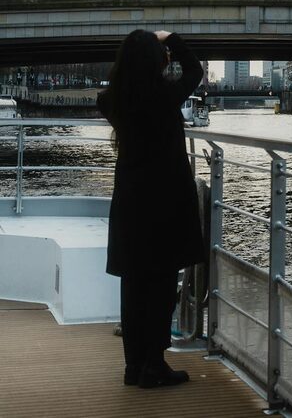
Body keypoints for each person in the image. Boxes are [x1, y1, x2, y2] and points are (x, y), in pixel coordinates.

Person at [97, 29, 205, 388]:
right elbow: (195, 70)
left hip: (130, 203)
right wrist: (171, 38)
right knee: (160, 286)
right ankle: (154, 365)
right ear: (156, 61)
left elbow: (115, 92)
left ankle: (134, 366)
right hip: (165, 204)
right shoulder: (165, 97)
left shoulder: (111, 100)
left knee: (134, 285)